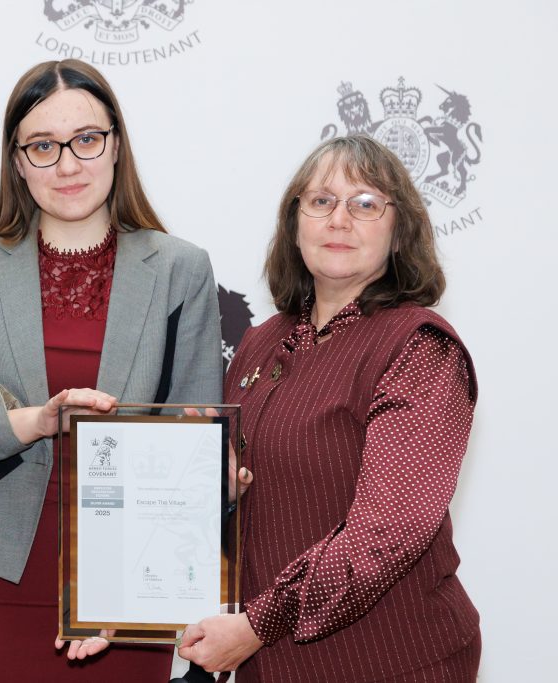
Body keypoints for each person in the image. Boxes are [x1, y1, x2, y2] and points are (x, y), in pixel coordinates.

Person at [0, 59, 221, 681]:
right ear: (17, 161)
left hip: (127, 592)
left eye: (86, 139)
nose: (68, 164)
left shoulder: (183, 269)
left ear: (116, 145)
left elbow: (198, 441)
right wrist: (33, 421)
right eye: (43, 146)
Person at [178, 135, 480, 681]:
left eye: (365, 203)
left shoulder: (419, 348)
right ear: (295, 224)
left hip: (387, 660)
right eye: (320, 201)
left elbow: (386, 532)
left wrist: (255, 626)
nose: (338, 219)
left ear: (398, 232)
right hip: (269, 662)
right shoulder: (261, 342)